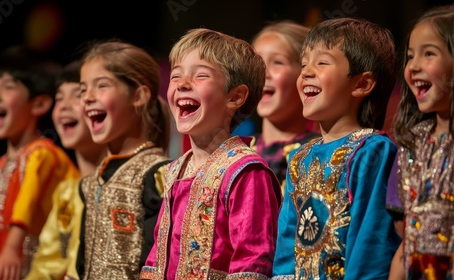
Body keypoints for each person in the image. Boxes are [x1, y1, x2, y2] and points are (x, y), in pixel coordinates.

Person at [140, 28, 282, 280]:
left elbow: (252, 260)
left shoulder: (246, 171)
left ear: (235, 96)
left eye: (200, 75)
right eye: (176, 76)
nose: (182, 84)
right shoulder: (175, 170)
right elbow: (158, 255)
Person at [272, 18, 401, 279]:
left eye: (322, 62)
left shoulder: (371, 150)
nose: (306, 72)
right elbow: (287, 243)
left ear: (362, 84)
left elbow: (371, 239)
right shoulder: (299, 157)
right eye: (304, 63)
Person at [0, 45, 79, 280]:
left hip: (26, 269)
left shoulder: (40, 154)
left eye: (8, 87)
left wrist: (10, 249)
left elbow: (25, 208)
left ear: (38, 104)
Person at [76, 40, 172, 280]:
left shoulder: (157, 174)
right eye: (82, 89)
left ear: (138, 95)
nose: (87, 97)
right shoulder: (90, 183)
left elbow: (156, 263)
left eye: (101, 86)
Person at [25, 60, 107, 280]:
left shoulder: (121, 187)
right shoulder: (67, 192)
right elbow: (46, 264)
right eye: (59, 97)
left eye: (77, 95)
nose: (63, 105)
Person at [389, 5, 453, 279]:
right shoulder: (411, 144)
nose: (413, 66)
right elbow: (407, 239)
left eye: (429, 54)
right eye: (411, 55)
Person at [251, 20, 320, 191]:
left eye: (278, 62)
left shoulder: (318, 154)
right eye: (255, 63)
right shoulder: (236, 152)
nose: (262, 72)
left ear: (305, 75)